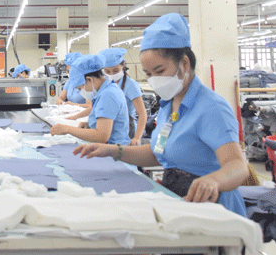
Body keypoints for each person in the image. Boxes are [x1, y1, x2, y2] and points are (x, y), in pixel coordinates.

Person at [73, 13, 247, 216]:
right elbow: (158, 154)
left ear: (184, 63)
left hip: (214, 207)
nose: (154, 79)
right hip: (179, 199)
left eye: (160, 70)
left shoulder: (210, 107)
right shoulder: (169, 106)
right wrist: (111, 151)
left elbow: (237, 165)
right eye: (148, 74)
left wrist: (214, 180)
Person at [50, 54, 130, 145]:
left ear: (89, 80)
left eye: (80, 89)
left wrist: (68, 129)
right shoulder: (103, 91)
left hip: (113, 151)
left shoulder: (108, 95)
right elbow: (106, 122)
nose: (81, 92)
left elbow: (101, 136)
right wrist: (90, 124)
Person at [99, 48, 148, 146]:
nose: (112, 74)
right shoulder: (103, 82)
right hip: (108, 128)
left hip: (127, 131)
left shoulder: (130, 85)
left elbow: (142, 114)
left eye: (115, 70)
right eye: (107, 71)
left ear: (123, 65)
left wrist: (137, 138)